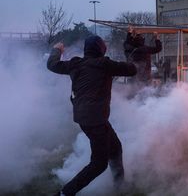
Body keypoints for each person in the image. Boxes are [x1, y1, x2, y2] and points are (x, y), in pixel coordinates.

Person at [47, 35, 137, 196]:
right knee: (99, 164)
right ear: (101, 49)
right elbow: (132, 70)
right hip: (95, 119)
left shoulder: (76, 64)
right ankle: (65, 193)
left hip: (85, 117)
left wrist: (56, 50)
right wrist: (133, 53)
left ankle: (120, 186)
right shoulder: (104, 64)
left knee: (115, 148)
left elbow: (52, 64)